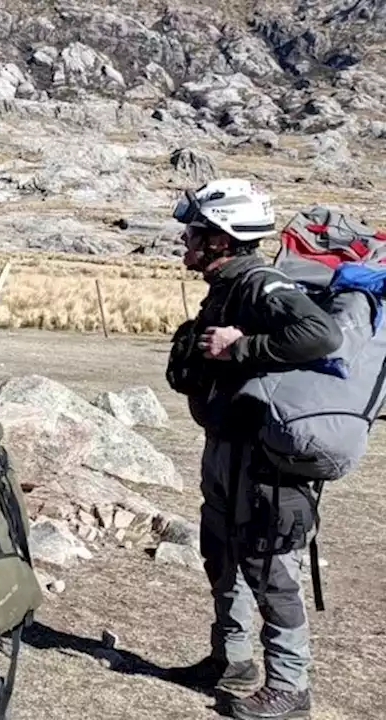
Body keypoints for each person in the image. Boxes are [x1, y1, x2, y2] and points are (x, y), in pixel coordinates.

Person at [165, 179, 342, 720]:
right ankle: (231, 661)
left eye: (195, 233)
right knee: (222, 554)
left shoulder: (262, 284)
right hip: (226, 447)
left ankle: (290, 687)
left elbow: (322, 335)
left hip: (263, 462)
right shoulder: (226, 286)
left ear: (222, 239)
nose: (186, 242)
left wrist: (240, 347)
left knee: (269, 568)